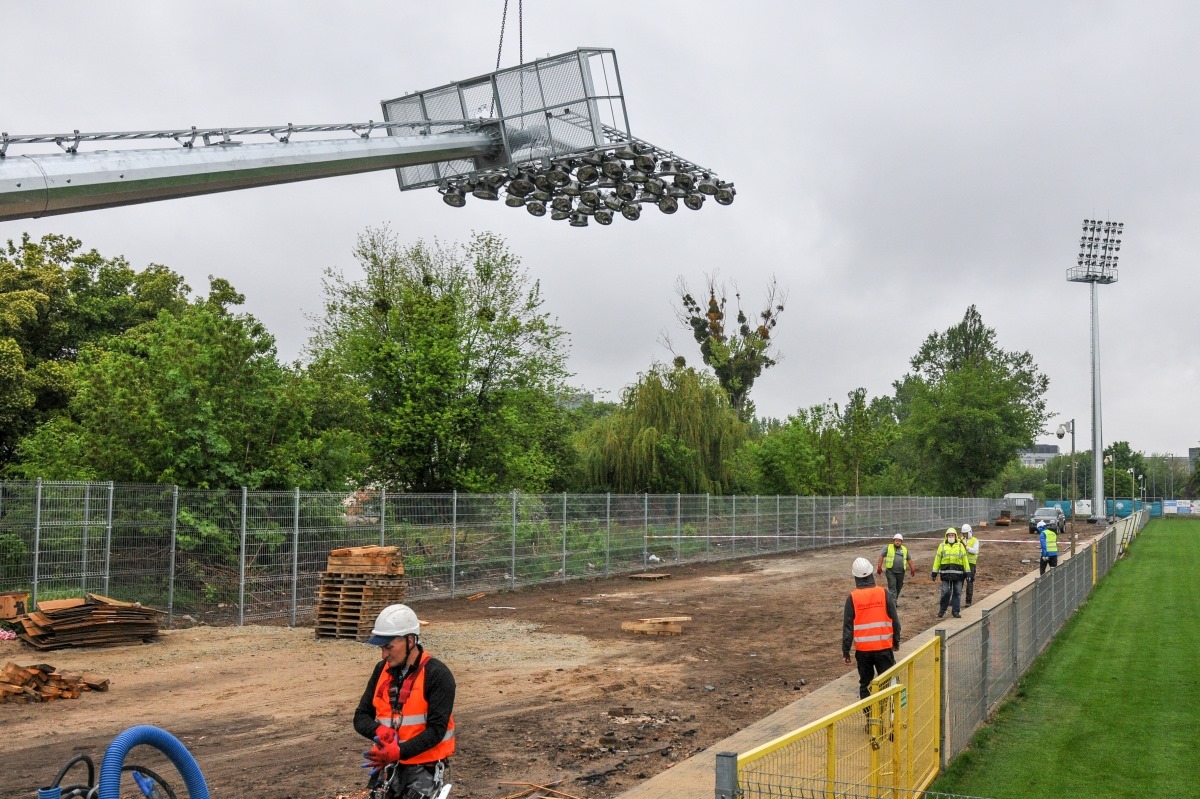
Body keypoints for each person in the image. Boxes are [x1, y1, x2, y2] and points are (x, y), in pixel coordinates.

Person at [355, 604, 456, 799]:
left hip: (424, 770)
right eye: (382, 648)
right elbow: (360, 717)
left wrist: (400, 751)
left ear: (410, 641)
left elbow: (437, 730)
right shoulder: (381, 670)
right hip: (387, 767)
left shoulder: (438, 675)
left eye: (388, 647)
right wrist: (379, 731)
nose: (384, 654)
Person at [843, 556, 901, 699]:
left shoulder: (852, 597)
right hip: (883, 648)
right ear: (871, 573)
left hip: (863, 652)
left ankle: (870, 719)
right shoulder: (883, 593)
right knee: (887, 682)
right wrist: (896, 641)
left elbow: (848, 627)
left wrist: (846, 651)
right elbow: (895, 620)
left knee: (865, 685)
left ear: (855, 577)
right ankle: (884, 713)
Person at [931, 527, 968, 619]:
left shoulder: (960, 546)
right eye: (949, 535)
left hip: (958, 574)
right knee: (946, 592)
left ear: (955, 536)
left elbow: (965, 560)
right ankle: (942, 610)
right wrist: (934, 572)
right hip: (945, 574)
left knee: (957, 592)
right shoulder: (942, 546)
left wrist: (968, 573)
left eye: (952, 535)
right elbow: (937, 559)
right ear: (946, 536)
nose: (951, 537)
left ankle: (955, 611)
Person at [875, 533, 917, 599]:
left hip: (901, 572)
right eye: (896, 541)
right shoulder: (888, 547)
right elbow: (881, 556)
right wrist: (879, 566)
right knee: (892, 588)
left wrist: (912, 568)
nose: (897, 542)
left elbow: (909, 559)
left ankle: (894, 601)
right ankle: (893, 604)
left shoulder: (904, 549)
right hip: (890, 571)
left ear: (901, 542)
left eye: (899, 541)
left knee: (898, 587)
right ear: (893, 541)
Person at [961, 524, 980, 606]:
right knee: (959, 582)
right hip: (961, 563)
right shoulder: (961, 540)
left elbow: (975, 551)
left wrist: (967, 548)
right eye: (963, 533)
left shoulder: (975, 540)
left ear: (969, 532)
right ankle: (956, 599)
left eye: (965, 533)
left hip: (971, 564)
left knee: (969, 582)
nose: (964, 535)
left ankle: (968, 601)